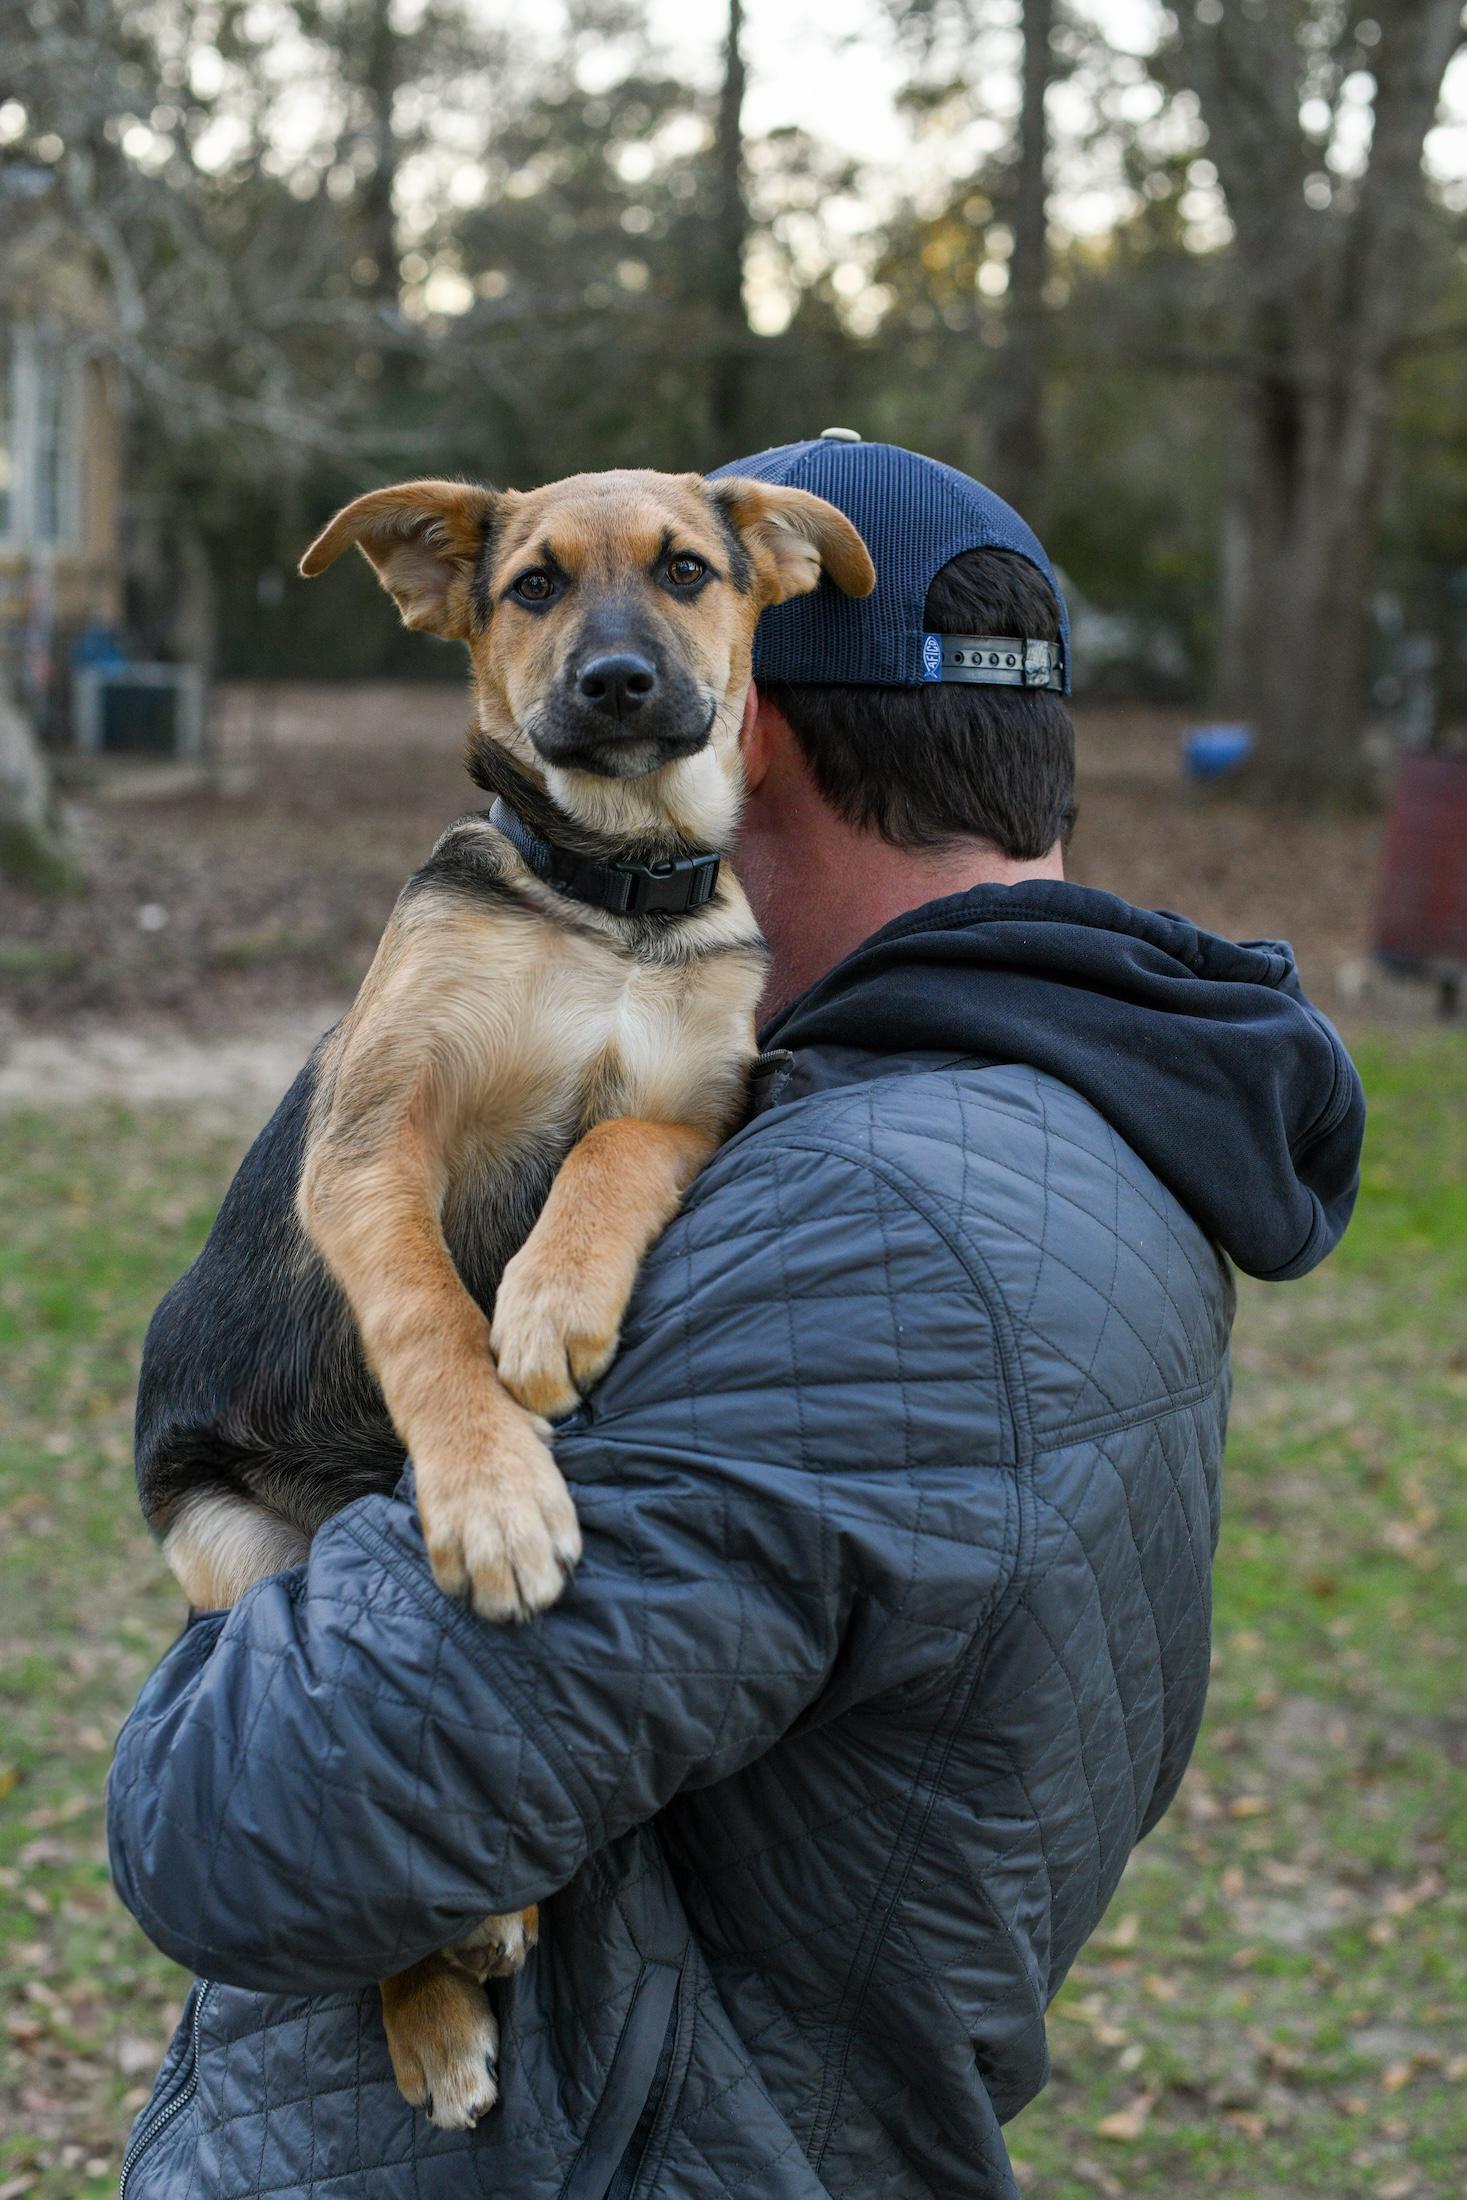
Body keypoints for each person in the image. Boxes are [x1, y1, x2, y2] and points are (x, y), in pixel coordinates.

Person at [108, 436, 1365, 2200]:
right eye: (547, 588)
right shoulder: (1114, 1118)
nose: (611, 631)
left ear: (746, 707)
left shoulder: (865, 1219)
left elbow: (248, 1828)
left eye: (680, 583)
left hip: (629, 2144)